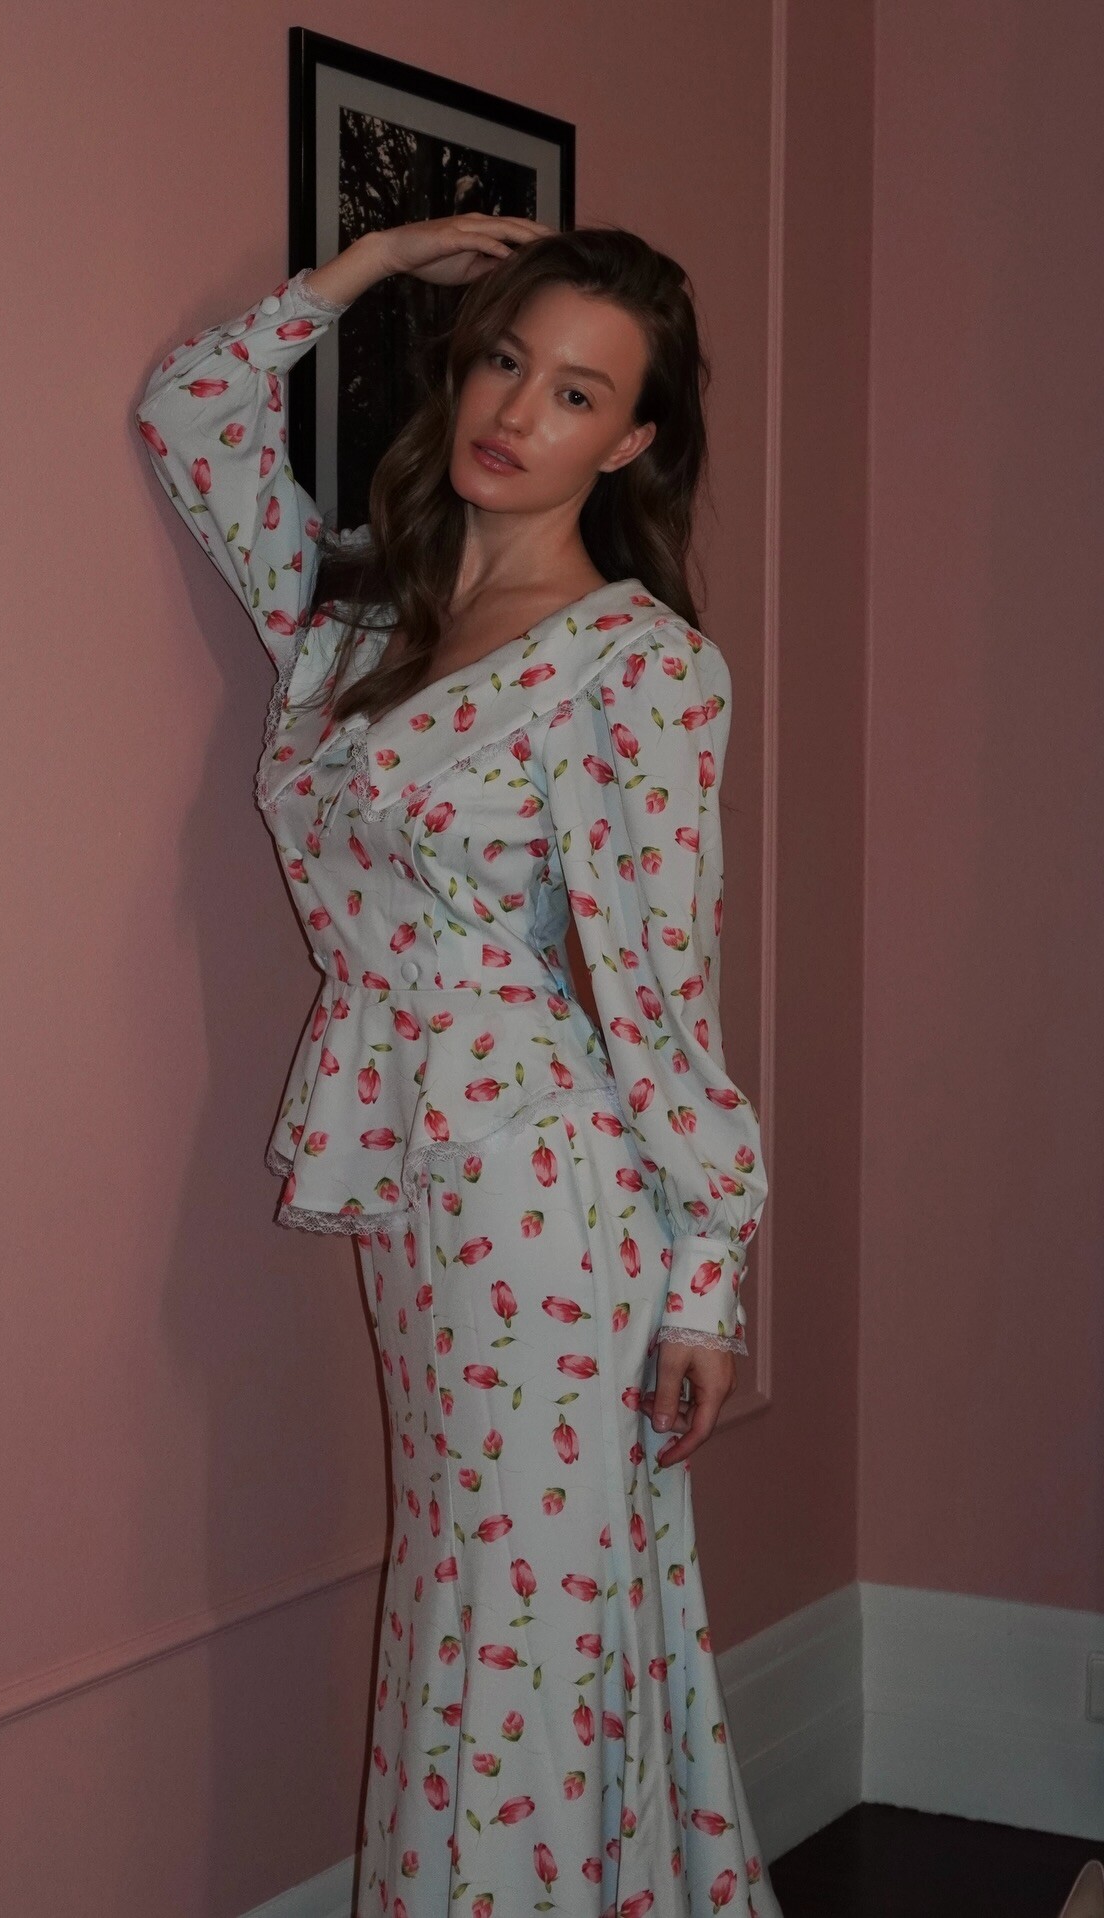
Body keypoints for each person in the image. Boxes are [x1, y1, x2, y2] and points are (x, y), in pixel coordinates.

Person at [138, 215, 781, 1918]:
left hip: (548, 1187)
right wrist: (370, 264)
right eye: (505, 358)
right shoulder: (365, 615)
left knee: (512, 1625)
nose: (518, 410)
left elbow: (663, 988)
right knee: (495, 1604)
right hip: (424, 1182)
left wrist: (706, 1273)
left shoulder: (640, 665)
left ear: (630, 443)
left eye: (576, 392)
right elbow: (190, 418)